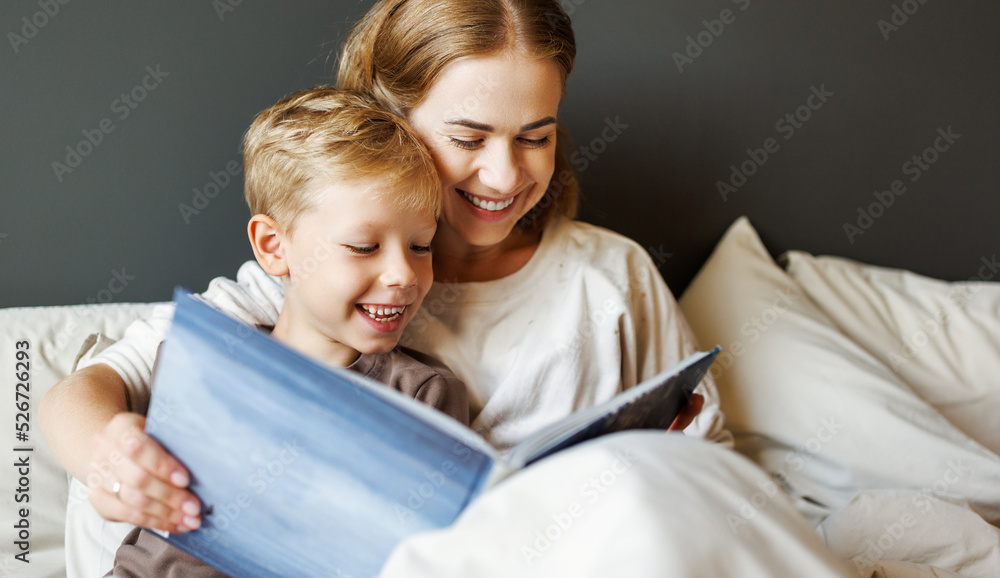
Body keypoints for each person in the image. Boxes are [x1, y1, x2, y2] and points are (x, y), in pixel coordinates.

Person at [42, 1, 852, 576]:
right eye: (468, 137)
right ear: (393, 121)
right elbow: (86, 392)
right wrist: (108, 450)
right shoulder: (311, 282)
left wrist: (663, 454)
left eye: (536, 137)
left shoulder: (610, 279)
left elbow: (711, 473)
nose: (504, 173)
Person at [41, 86, 470, 574]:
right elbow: (74, 399)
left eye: (421, 246)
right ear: (273, 246)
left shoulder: (421, 395)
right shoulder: (200, 358)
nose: (403, 275)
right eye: (363, 246)